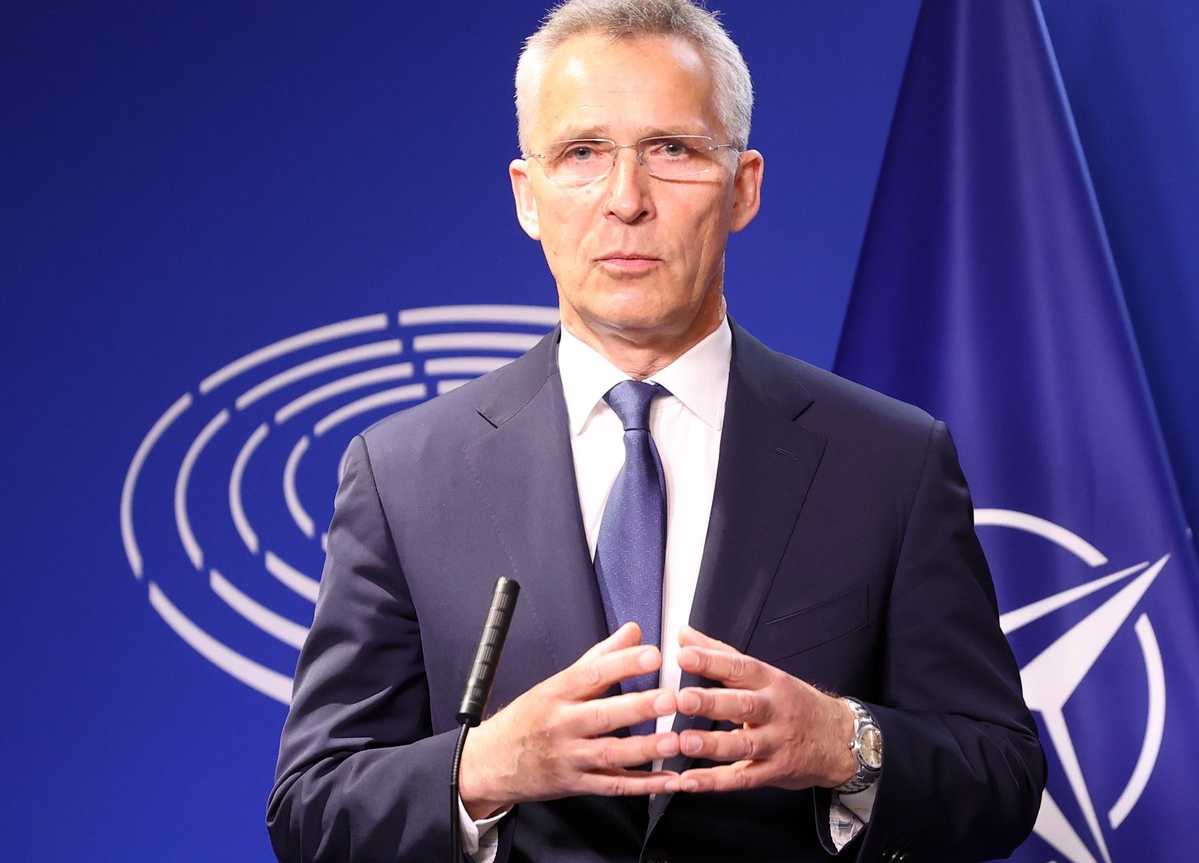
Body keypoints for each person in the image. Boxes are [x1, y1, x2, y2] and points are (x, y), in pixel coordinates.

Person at [268, 1, 1045, 860]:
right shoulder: (403, 475)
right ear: (528, 196)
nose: (626, 201)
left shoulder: (891, 462)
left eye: (671, 150)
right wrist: (484, 766)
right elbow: (311, 809)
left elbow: (1001, 775)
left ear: (744, 185)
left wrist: (839, 740)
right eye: (582, 154)